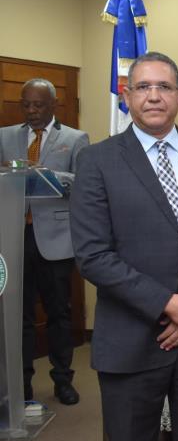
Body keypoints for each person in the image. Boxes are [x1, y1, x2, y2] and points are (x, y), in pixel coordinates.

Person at [70, 52, 178, 441]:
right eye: (142, 87)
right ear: (126, 96)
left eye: (163, 87)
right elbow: (93, 255)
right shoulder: (96, 161)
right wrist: (169, 305)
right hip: (130, 343)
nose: (153, 96)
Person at [0, 78, 89, 405]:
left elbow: (83, 183)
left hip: (55, 240)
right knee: (16, 316)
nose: (32, 111)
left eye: (39, 105)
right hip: (13, 236)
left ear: (53, 105)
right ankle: (20, 384)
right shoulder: (5, 136)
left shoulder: (75, 139)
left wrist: (46, 174)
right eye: (26, 104)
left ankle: (63, 380)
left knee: (59, 314)